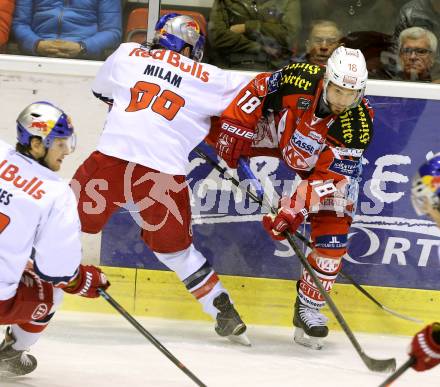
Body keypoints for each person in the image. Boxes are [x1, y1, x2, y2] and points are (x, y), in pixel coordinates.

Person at [71, 13, 251, 346]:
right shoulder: (211, 76)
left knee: (59, 225)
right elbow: (252, 97)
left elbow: (103, 92)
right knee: (176, 252)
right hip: (162, 173)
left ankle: (18, 302)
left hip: (112, 160)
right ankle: (223, 310)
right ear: (191, 46)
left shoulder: (126, 53)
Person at [213, 46, 373, 349]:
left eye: (350, 95)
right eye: (337, 90)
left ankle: (307, 308)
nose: (341, 100)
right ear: (326, 80)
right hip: (281, 136)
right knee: (219, 126)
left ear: (360, 92)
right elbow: (258, 89)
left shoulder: (357, 125)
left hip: (321, 164)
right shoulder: (299, 78)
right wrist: (235, 127)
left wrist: (292, 210)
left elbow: (329, 178)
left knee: (332, 244)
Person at [0, 101, 109, 377]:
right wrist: (82, 280)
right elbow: (58, 271)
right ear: (36, 144)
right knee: (51, 290)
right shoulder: (55, 193)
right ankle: (11, 354)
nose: (67, 151)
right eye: (59, 143)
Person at [208, 0, 301, 70]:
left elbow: (290, 35)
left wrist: (247, 27)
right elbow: (218, 37)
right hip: (230, 66)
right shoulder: (226, 2)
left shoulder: (286, 2)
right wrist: (259, 47)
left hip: (274, 68)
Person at [12, 0, 121, 59]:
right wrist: (36, 44)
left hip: (84, 56)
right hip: (37, 54)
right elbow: (20, 24)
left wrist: (82, 47)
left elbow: (112, 32)